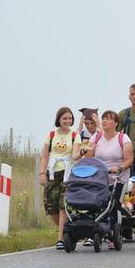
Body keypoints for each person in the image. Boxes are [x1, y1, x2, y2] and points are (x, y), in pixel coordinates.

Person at [86, 110, 134, 249]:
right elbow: (89, 156)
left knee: (113, 205)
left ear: (116, 123)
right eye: (103, 119)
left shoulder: (123, 138)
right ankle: (97, 230)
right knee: (97, 204)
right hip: (99, 177)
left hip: (118, 177)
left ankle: (113, 233)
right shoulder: (96, 137)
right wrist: (87, 150)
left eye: (108, 119)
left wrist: (119, 168)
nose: (105, 121)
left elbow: (129, 159)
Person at [40, 107, 83, 250]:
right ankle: (69, 231)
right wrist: (41, 174)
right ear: (59, 119)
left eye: (70, 118)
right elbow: (45, 156)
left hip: (67, 173)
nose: (67, 121)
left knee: (62, 205)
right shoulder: (51, 135)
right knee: (51, 207)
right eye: (65, 118)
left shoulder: (75, 135)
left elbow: (75, 154)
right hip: (52, 173)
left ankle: (61, 239)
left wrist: (82, 152)